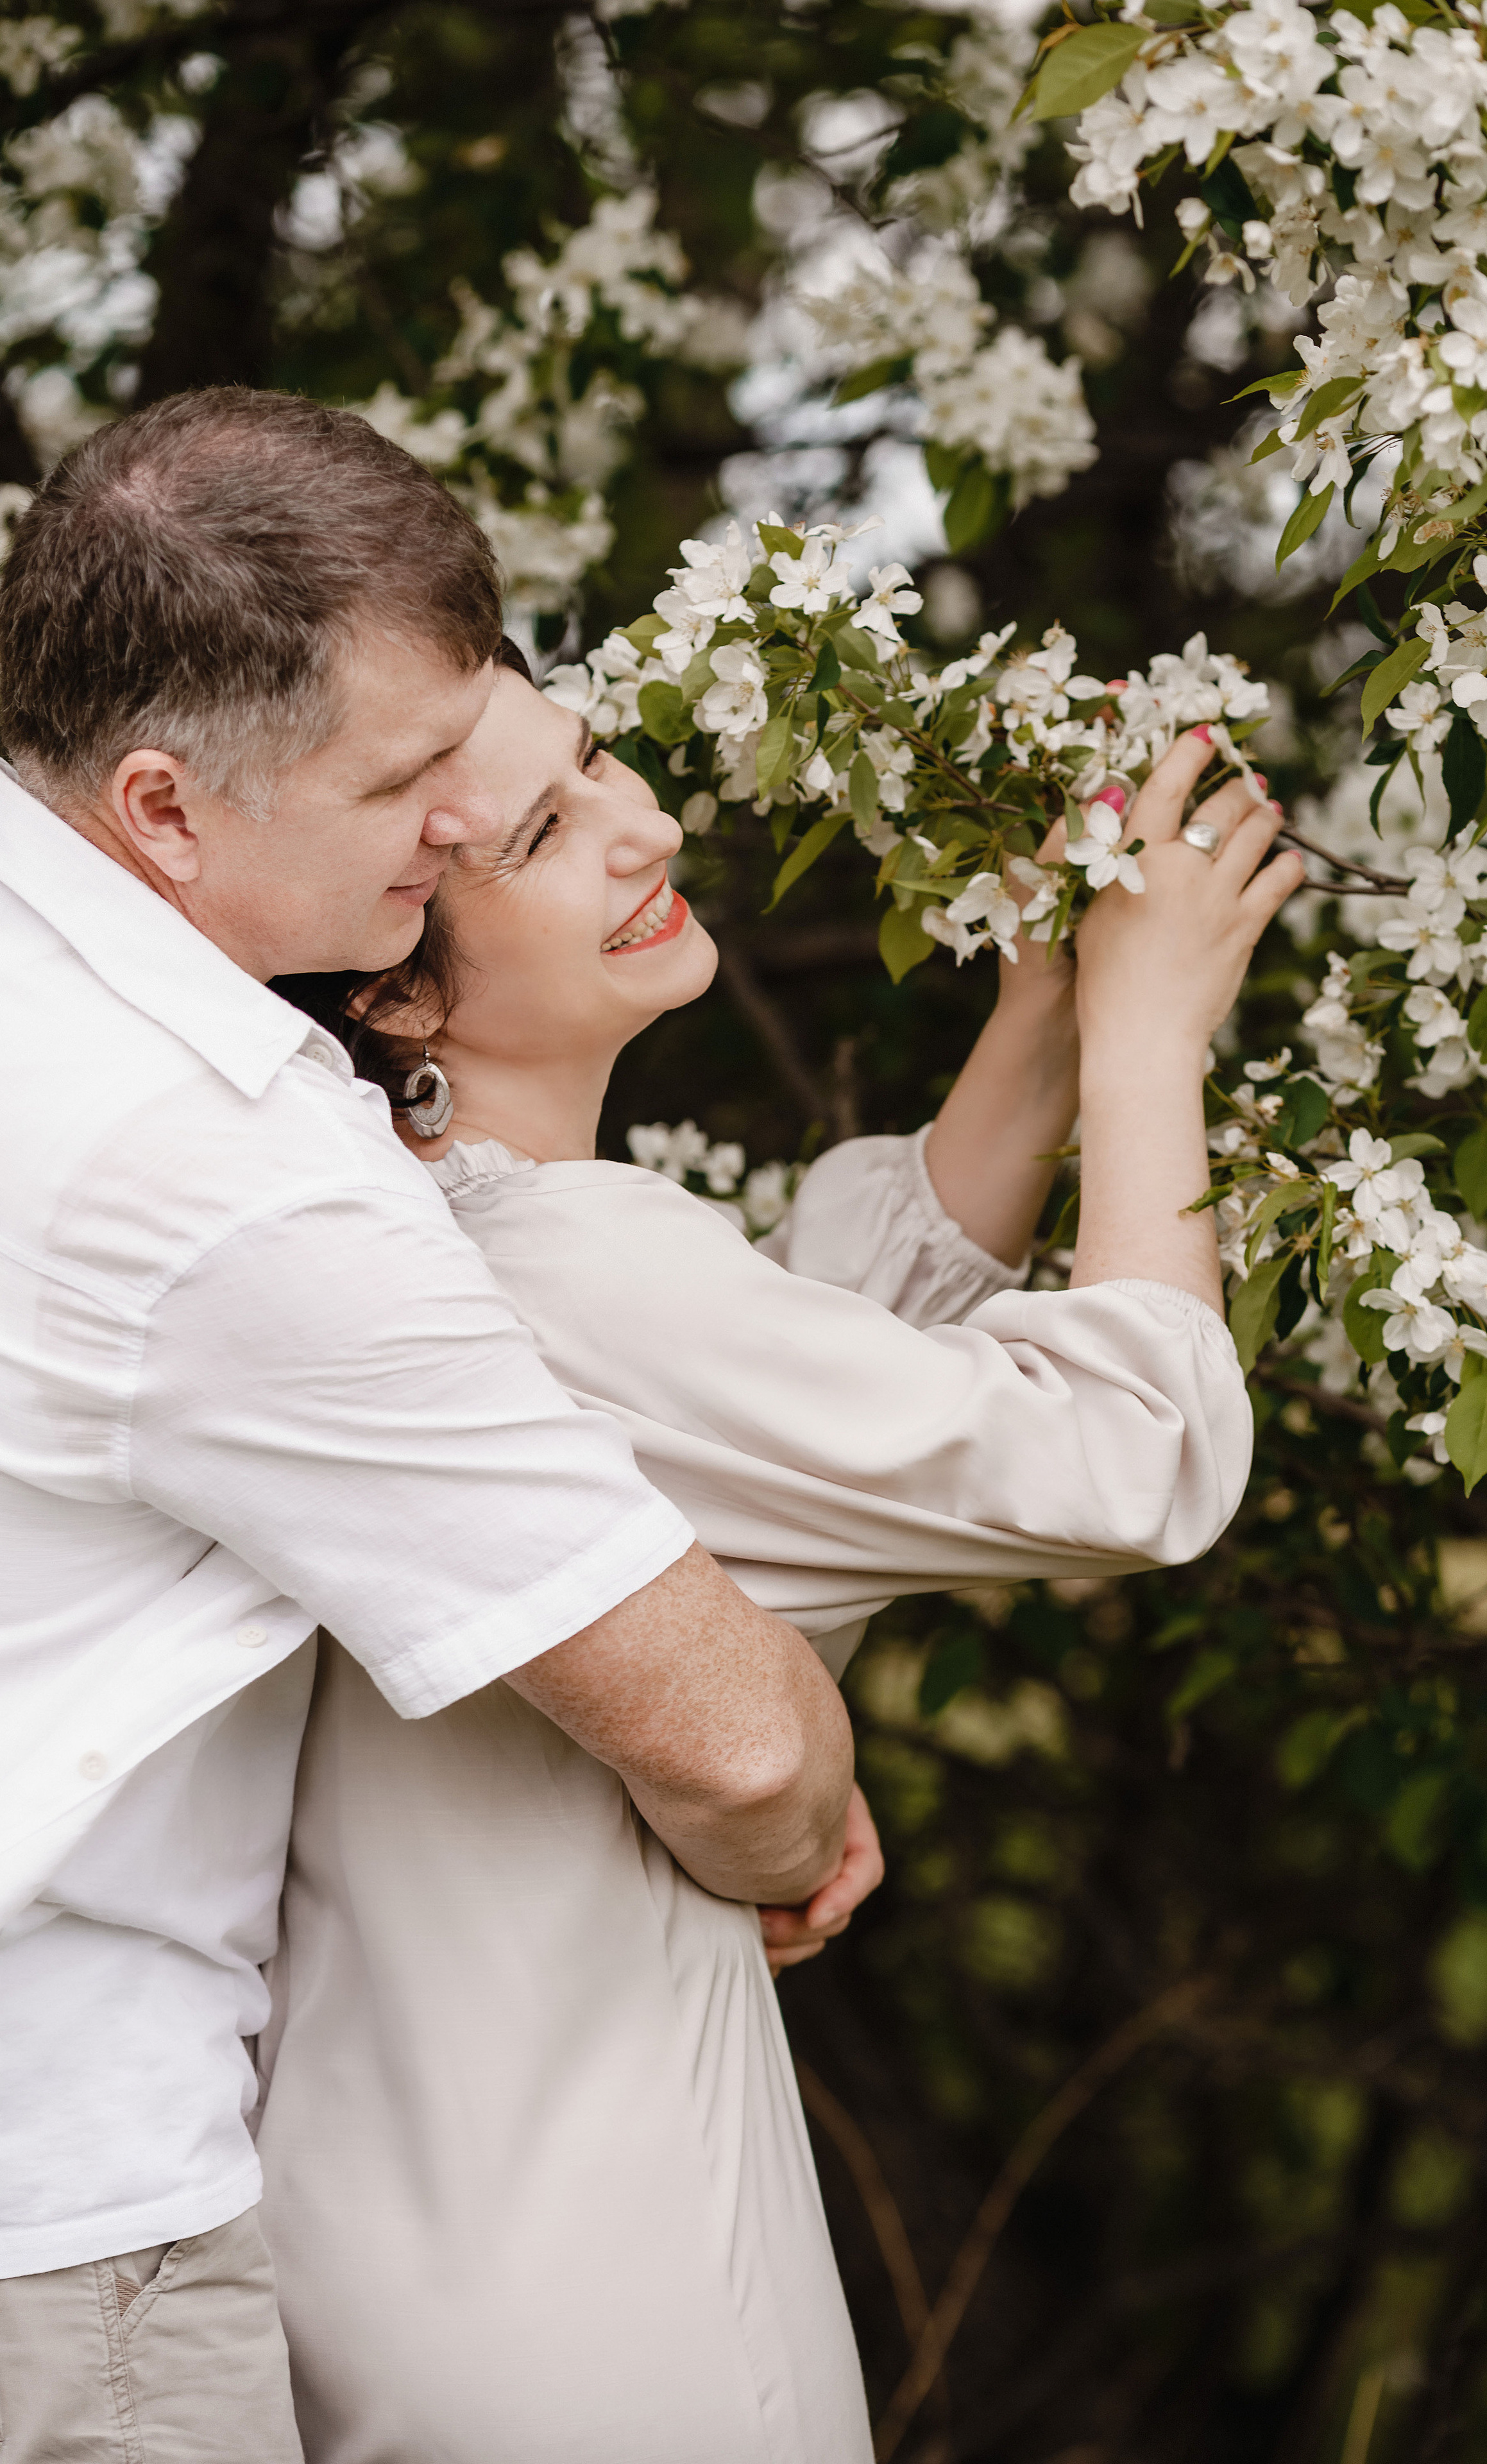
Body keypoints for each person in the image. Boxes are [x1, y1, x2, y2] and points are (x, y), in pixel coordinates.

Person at [0, 393, 857, 2464]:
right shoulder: (213, 1171)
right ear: (164, 807)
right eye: (401, 781)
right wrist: (800, 1818)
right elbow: (737, 1742)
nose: (462, 827)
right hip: (40, 2266)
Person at [255, 653, 1300, 2463]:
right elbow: (1132, 1454)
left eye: (603, 762)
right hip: (602, 2282)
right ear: (396, 979)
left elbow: (803, 1373)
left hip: (424, 2226)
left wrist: (1047, 1000)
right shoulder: (564, 1265)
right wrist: (1153, 1037)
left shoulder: (411, 1252)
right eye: (544, 833)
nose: (647, 826)